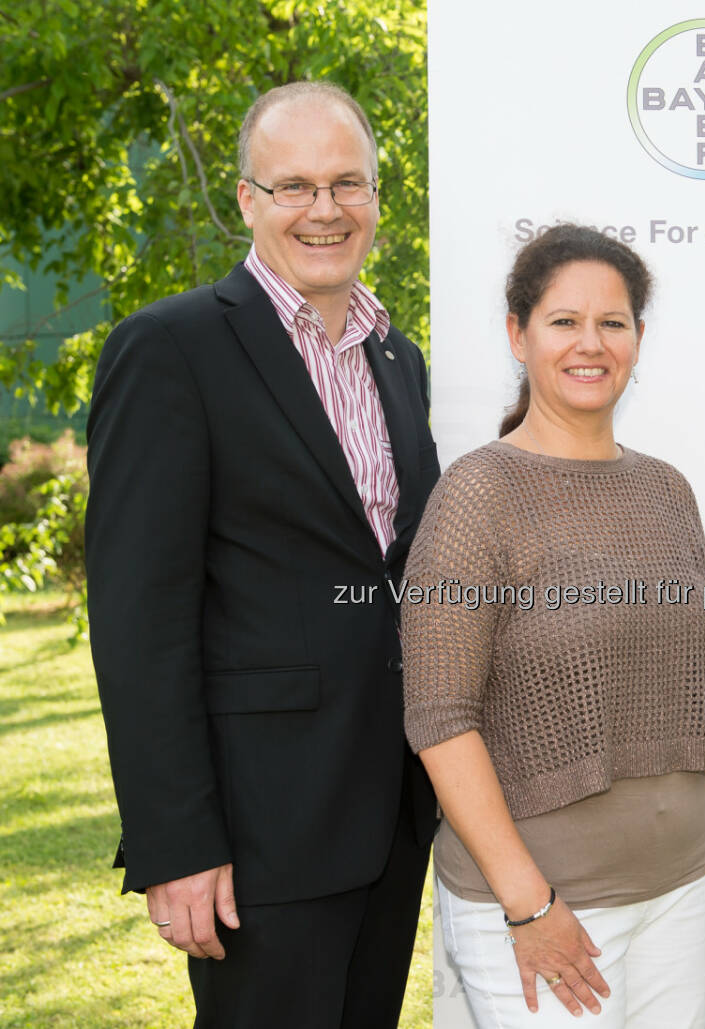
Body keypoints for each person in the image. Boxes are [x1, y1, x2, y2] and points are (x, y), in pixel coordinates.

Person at [85, 80, 438, 1028]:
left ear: (376, 198)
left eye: (347, 184)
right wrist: (174, 841)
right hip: (259, 830)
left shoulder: (397, 361)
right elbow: (137, 623)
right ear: (247, 199)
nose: (325, 209)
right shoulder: (170, 348)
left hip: (392, 813)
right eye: (294, 186)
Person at [400, 225, 705, 1027]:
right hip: (544, 906)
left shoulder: (667, 491)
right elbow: (439, 717)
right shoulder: (477, 495)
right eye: (563, 321)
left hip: (683, 890)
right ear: (518, 335)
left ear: (638, 338)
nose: (590, 343)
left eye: (612, 322)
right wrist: (529, 905)